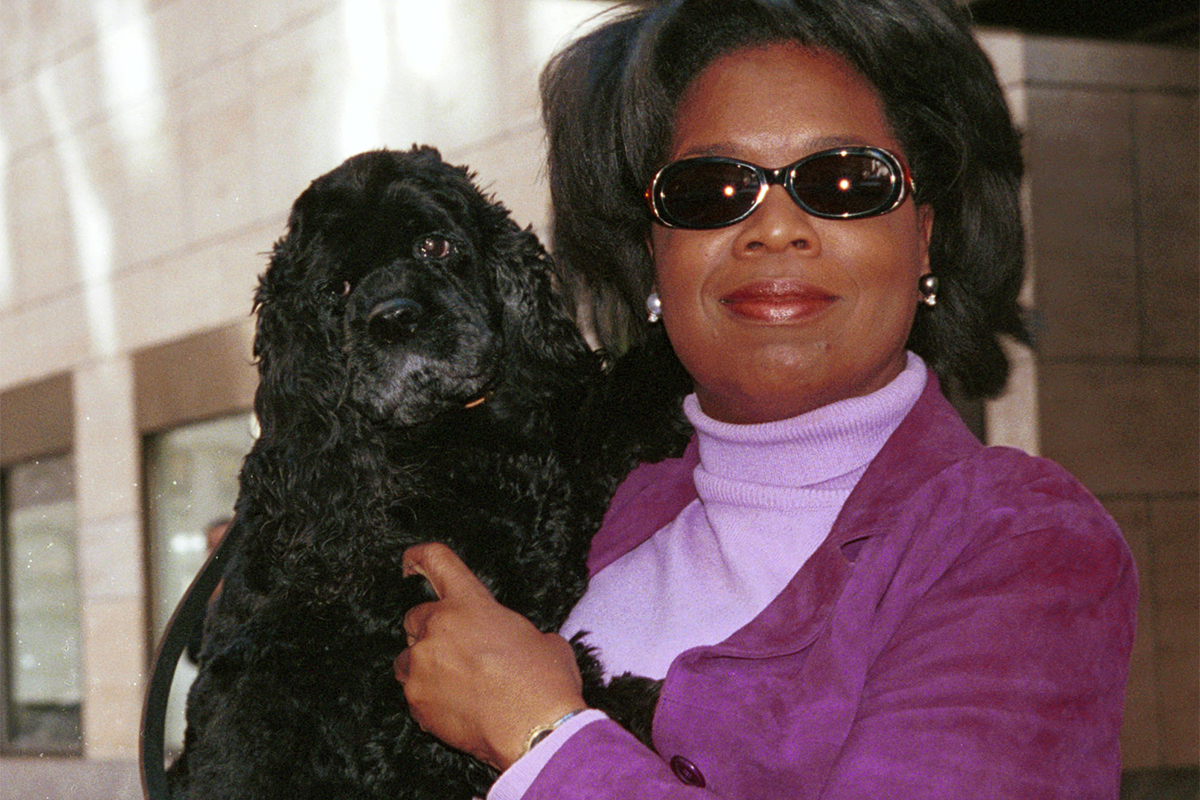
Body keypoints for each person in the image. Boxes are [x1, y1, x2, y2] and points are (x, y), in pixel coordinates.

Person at [391, 1, 1137, 797]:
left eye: (843, 183)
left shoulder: (1017, 541)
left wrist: (540, 737)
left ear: (924, 237)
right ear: (654, 254)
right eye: (710, 191)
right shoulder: (590, 513)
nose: (775, 229)